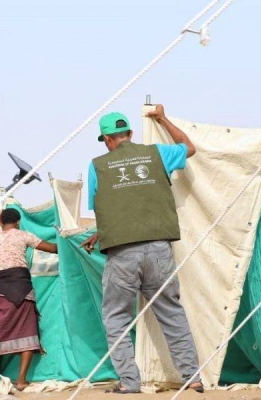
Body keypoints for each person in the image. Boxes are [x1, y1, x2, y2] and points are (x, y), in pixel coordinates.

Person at [80, 104, 204, 394]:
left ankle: (129, 382)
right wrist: (162, 118)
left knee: (117, 318)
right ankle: (193, 377)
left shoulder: (97, 165)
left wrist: (101, 233)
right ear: (130, 134)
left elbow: (106, 208)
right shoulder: (157, 153)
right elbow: (189, 147)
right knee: (172, 313)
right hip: (159, 249)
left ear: (108, 139)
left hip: (122, 253)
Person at [0, 209, 58, 391]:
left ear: (1, 222)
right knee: (28, 330)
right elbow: (53, 249)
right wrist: (66, 238)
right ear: (18, 222)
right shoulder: (24, 235)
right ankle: (22, 380)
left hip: (1, 288)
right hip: (22, 287)